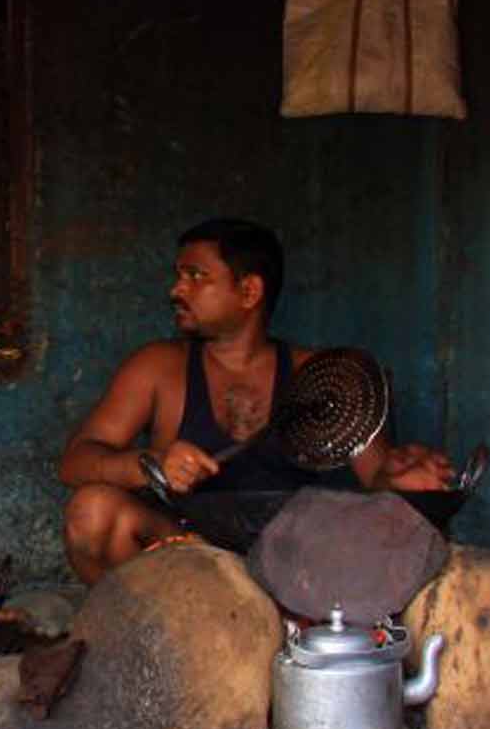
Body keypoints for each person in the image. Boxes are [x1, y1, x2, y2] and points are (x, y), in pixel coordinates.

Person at [58, 217, 450, 586]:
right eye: (178, 277)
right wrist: (152, 465)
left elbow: (376, 482)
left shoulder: (326, 376)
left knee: (399, 530)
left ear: (249, 291)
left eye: (196, 276)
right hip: (189, 560)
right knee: (92, 511)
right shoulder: (158, 368)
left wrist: (405, 481)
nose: (176, 291)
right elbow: (75, 462)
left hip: (302, 560)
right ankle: (159, 631)